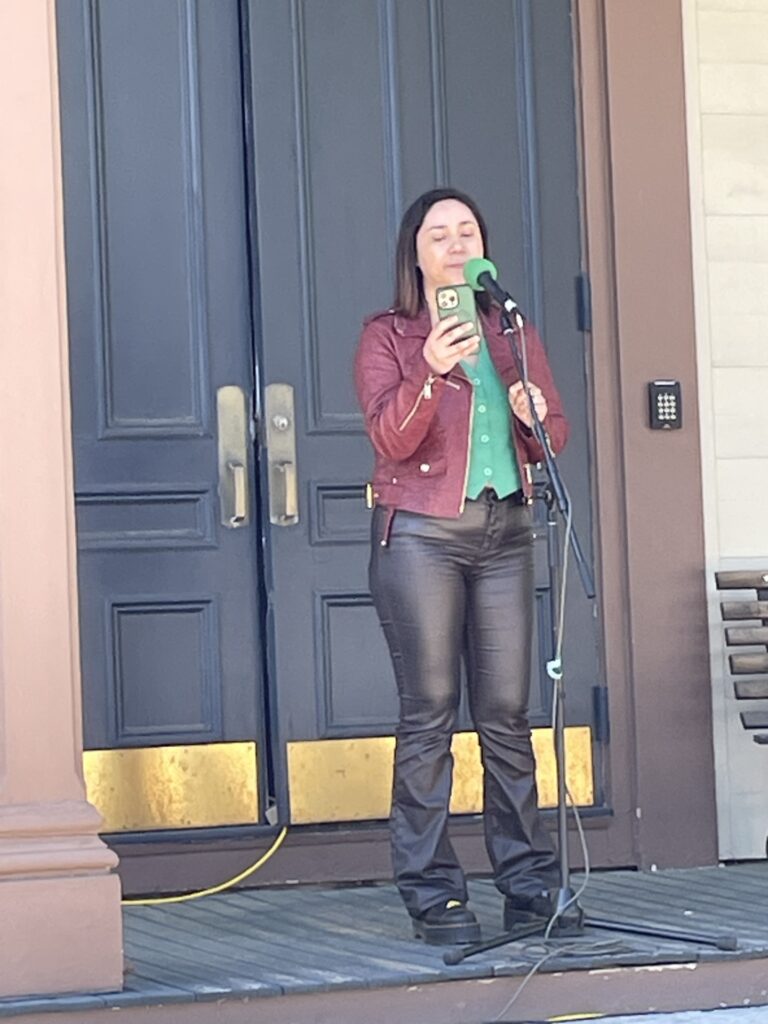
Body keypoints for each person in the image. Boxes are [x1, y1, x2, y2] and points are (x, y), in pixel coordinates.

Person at [354, 187, 569, 945]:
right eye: (438, 233)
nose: (453, 243)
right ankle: (433, 893)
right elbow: (390, 439)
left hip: (506, 532)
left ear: (482, 248)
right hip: (421, 538)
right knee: (430, 716)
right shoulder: (390, 336)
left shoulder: (510, 329)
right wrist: (432, 373)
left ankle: (530, 883)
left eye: (466, 231)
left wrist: (534, 411)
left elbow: (554, 434)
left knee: (508, 717)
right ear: (416, 252)